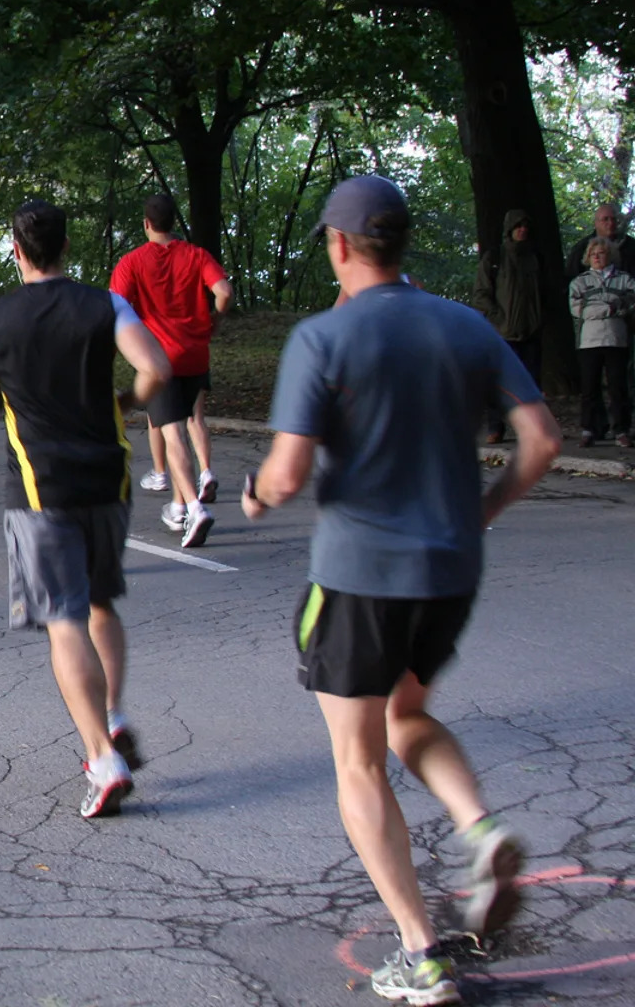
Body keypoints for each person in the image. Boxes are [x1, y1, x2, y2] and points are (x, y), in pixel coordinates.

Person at [242, 175, 561, 1005]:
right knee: (408, 715)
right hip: (450, 571)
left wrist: (253, 493)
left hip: (358, 578)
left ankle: (421, 953)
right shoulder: (466, 325)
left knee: (358, 760)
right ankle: (480, 831)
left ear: (339, 244)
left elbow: (287, 474)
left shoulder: (324, 337)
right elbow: (542, 439)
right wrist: (484, 509)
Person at [0, 198, 171, 819]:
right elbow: (156, 367)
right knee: (100, 602)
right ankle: (113, 713)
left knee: (64, 619)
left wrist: (8, 390)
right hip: (109, 479)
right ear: (66, 247)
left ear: (16, 251)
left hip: (40, 488)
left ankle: (102, 759)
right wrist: (125, 401)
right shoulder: (107, 305)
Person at [108, 192, 232, 547]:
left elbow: (115, 308)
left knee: (173, 433)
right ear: (174, 222)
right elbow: (224, 291)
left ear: (146, 224)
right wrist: (216, 321)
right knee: (184, 424)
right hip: (196, 356)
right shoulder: (196, 255)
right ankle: (177, 506)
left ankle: (194, 507)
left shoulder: (132, 262)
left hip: (160, 360)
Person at [474, 208, 542, 443]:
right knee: (498, 383)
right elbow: (481, 294)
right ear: (509, 229)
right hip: (502, 332)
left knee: (531, 383)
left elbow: (545, 293)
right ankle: (496, 428)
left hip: (531, 331)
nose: (523, 230)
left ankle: (530, 429)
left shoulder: (535, 258)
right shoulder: (494, 259)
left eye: (526, 226)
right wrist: (498, 319)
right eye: (518, 226)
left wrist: (538, 319)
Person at [570, 236, 633, 447]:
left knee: (618, 387)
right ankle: (590, 429)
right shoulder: (580, 282)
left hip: (616, 340)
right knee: (590, 388)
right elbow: (578, 310)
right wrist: (609, 308)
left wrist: (599, 307)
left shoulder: (624, 280)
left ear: (610, 255)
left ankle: (621, 430)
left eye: (601, 253)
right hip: (589, 341)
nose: (597, 257)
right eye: (593, 254)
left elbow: (630, 302)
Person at [564, 201, 635, 279]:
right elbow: (571, 276)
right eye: (605, 219)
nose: (611, 223)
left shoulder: (631, 245)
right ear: (596, 223)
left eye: (613, 219)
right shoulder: (581, 248)